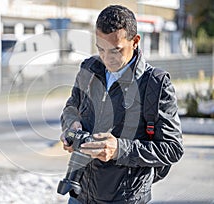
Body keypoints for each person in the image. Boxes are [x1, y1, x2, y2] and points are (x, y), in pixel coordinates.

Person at [60, 5, 184, 204]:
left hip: (126, 199)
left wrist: (119, 149)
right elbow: (71, 108)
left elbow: (172, 148)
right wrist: (71, 126)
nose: (107, 58)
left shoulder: (155, 84)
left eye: (116, 51)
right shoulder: (89, 68)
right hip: (79, 193)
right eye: (100, 48)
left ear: (135, 41)